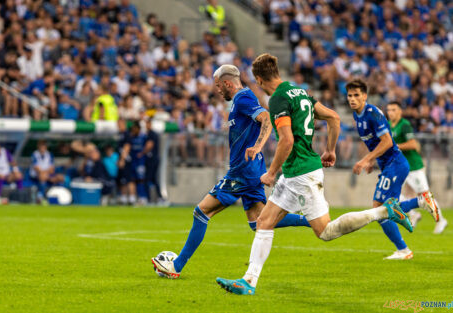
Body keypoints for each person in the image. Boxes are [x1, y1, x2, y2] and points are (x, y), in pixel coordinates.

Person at [215, 54, 413, 296]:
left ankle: (385, 211)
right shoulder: (300, 93)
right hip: (296, 173)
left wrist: (270, 172)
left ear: (259, 79)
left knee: (326, 232)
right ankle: (249, 281)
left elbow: (286, 140)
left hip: (301, 173)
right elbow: (334, 117)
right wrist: (329, 149)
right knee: (263, 222)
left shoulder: (278, 99)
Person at [152, 64, 312, 279]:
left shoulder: (242, 98)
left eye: (218, 86)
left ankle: (176, 266)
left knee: (202, 212)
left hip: (242, 172)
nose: (217, 90)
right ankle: (310, 218)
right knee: (258, 221)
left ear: (227, 83)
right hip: (253, 170)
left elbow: (265, 117)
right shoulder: (242, 99)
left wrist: (257, 146)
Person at [348, 80, 440, 260]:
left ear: (365, 96)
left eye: (357, 95)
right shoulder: (357, 116)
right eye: (350, 95)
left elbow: (388, 142)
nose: (352, 99)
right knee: (386, 210)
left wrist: (366, 159)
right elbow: (375, 142)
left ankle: (420, 205)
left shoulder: (372, 113)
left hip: (395, 164)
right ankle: (404, 248)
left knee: (379, 209)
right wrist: (372, 161)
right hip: (388, 165)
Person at [387, 101, 447, 234]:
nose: (391, 112)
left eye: (393, 110)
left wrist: (395, 147)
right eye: (389, 110)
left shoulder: (405, 125)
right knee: (396, 194)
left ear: (400, 112)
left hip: (414, 166)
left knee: (424, 194)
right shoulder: (390, 126)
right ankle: (413, 214)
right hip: (402, 166)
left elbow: (413, 144)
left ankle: (440, 220)